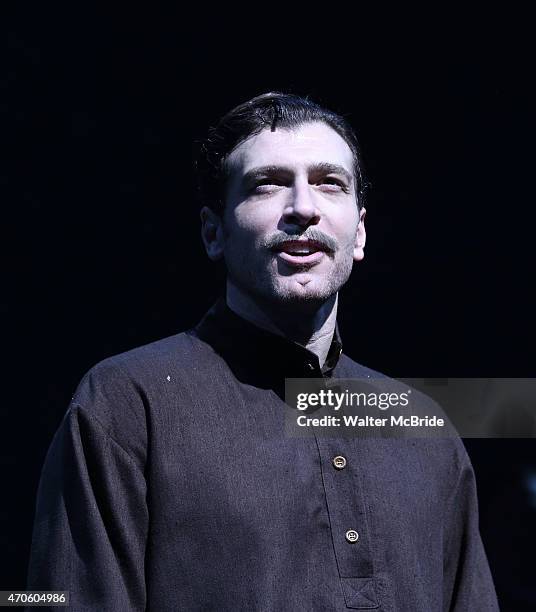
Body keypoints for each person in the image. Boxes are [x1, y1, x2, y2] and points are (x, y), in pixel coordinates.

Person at [27, 92, 499, 611]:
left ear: (359, 230)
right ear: (213, 232)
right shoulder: (125, 404)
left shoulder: (423, 428)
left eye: (329, 183)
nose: (302, 207)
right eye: (267, 184)